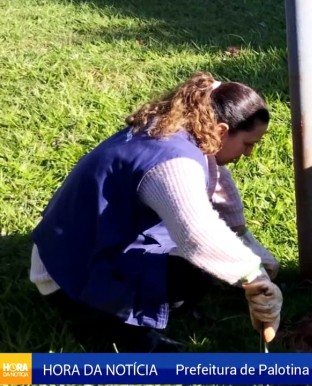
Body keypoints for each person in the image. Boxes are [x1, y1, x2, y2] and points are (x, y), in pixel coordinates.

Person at [29, 72, 283, 352]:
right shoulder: (172, 163)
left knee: (203, 262)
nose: (248, 154)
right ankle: (115, 331)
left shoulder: (178, 130)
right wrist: (252, 274)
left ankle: (124, 305)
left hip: (72, 250)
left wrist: (249, 245)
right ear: (222, 131)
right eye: (249, 144)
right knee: (194, 274)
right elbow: (197, 235)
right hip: (67, 278)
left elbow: (220, 191)